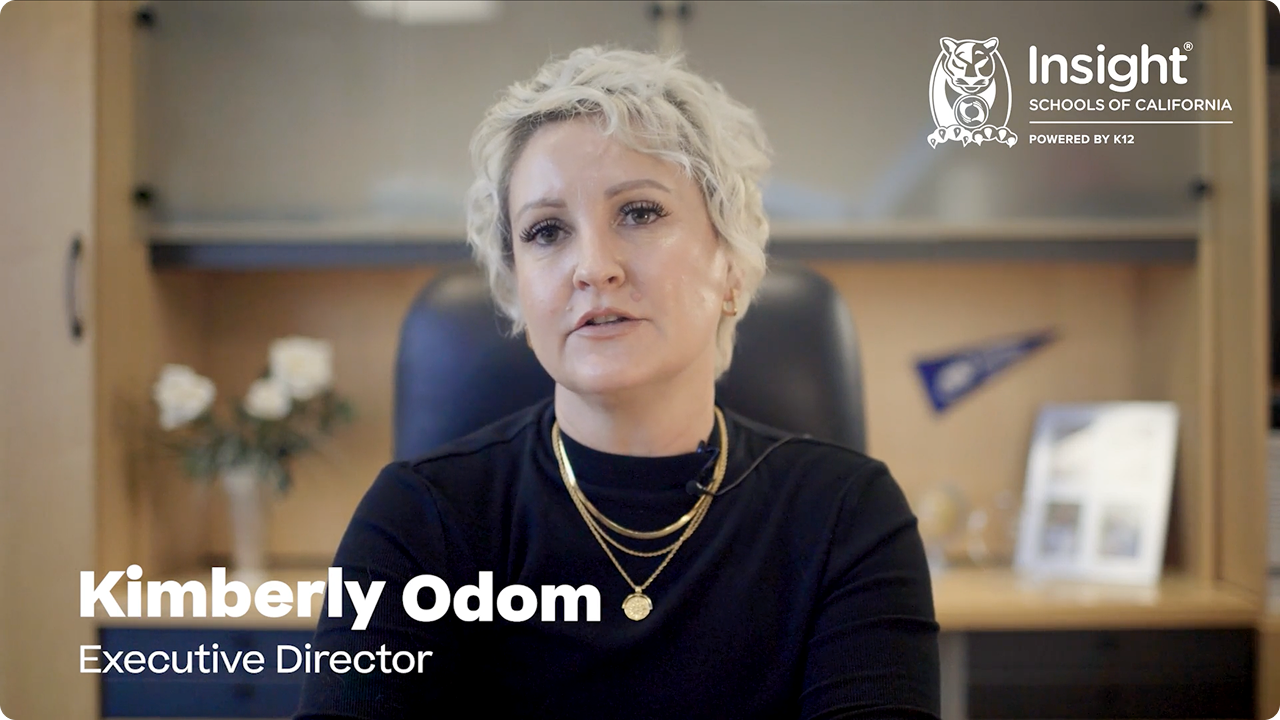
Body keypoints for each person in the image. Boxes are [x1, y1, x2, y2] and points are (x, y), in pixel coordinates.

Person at [295, 46, 939, 719]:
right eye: (547, 231)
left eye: (639, 213)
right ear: (517, 292)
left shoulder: (846, 515)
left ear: (732, 265)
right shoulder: (418, 519)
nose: (592, 267)